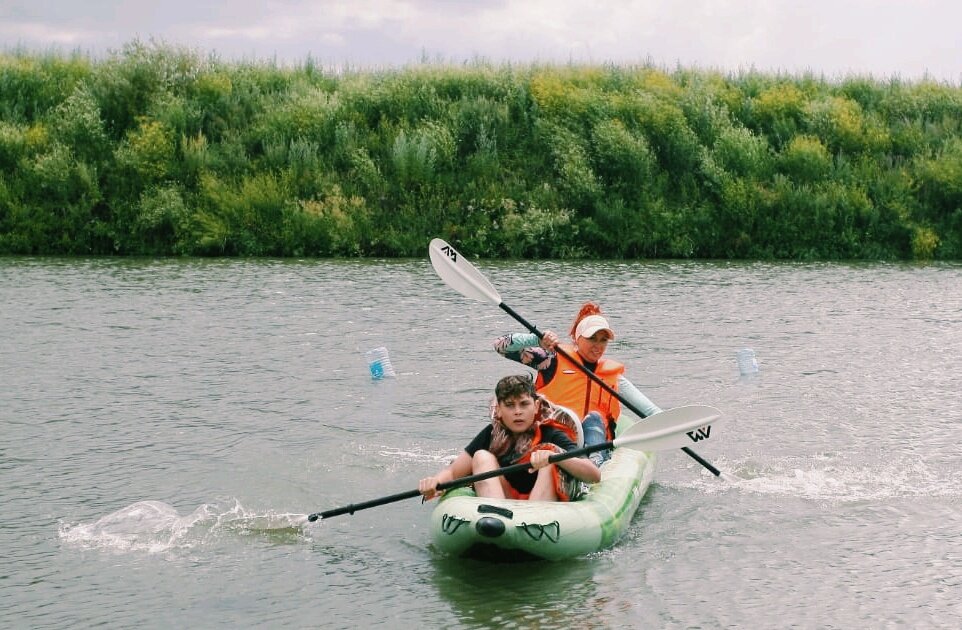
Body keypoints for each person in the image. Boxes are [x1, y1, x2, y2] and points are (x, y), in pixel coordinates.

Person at [492, 302, 661, 466]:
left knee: (594, 419)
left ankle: (592, 466)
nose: (598, 346)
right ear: (577, 339)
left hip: (593, 442)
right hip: (553, 435)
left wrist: (681, 429)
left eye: (603, 340)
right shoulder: (551, 360)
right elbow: (501, 346)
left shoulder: (614, 377)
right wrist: (536, 340)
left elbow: (651, 412)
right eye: (592, 338)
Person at [418, 374, 600, 502]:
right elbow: (453, 472)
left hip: (542, 507)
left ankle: (530, 523)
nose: (518, 412)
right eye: (510, 405)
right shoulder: (491, 434)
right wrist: (435, 482)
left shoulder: (551, 434)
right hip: (504, 502)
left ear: (536, 406)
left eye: (524, 404)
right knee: (481, 456)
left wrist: (554, 455)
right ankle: (495, 515)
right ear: (499, 409)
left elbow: (593, 475)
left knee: (550, 459)